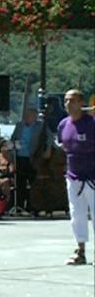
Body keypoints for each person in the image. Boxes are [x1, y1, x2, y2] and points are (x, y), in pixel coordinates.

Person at [57, 89, 95, 265]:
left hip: (93, 178)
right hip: (73, 178)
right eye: (65, 101)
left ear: (82, 103)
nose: (68, 104)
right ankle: (80, 251)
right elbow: (65, 148)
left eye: (72, 100)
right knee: (76, 215)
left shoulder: (92, 124)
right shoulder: (63, 125)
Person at [10, 108, 46, 212]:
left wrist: (47, 150)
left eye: (29, 115)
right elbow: (13, 138)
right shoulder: (19, 125)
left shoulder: (40, 126)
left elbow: (49, 138)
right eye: (26, 115)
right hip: (20, 157)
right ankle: (20, 206)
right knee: (20, 182)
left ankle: (33, 206)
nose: (27, 117)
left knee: (33, 183)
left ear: (34, 116)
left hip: (33, 157)